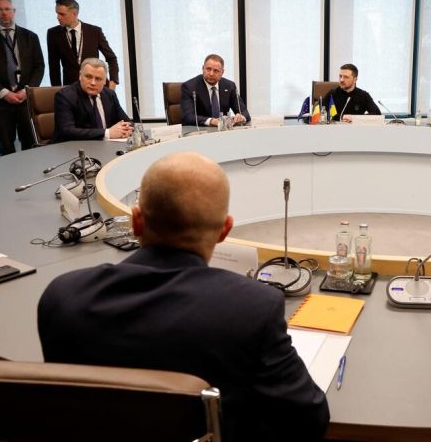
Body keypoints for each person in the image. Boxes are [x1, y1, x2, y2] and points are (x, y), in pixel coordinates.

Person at [37, 152, 330, 441]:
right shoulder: (253, 309)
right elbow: (309, 419)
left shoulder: (63, 298)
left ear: (136, 222)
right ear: (224, 231)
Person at [0, 0, 45, 156]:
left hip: (25, 99)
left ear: (14, 11)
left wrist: (27, 90)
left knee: (30, 143)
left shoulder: (30, 36)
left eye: (7, 9)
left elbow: (39, 66)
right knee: (5, 145)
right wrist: (4, 93)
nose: (4, 13)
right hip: (1, 101)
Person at [52, 57, 132, 142]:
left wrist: (126, 130)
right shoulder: (65, 96)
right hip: (71, 147)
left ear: (105, 81)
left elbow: (126, 121)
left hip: (104, 146)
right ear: (80, 76)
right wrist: (108, 133)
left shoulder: (109, 94)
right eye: (88, 77)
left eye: (98, 79)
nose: (93, 83)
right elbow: (67, 131)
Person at [47, 0, 119, 89]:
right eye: (57, 13)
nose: (58, 17)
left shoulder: (94, 31)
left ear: (75, 14)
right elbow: (54, 66)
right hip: (70, 88)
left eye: (62, 14)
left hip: (96, 86)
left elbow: (111, 58)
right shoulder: (53, 33)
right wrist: (56, 91)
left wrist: (113, 81)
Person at [180, 54, 250, 127]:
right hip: (200, 130)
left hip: (223, 131)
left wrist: (241, 117)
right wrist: (212, 121)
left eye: (216, 71)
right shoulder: (190, 87)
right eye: (208, 69)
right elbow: (188, 117)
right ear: (203, 68)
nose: (211, 74)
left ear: (222, 72)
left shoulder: (229, 86)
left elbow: (244, 112)